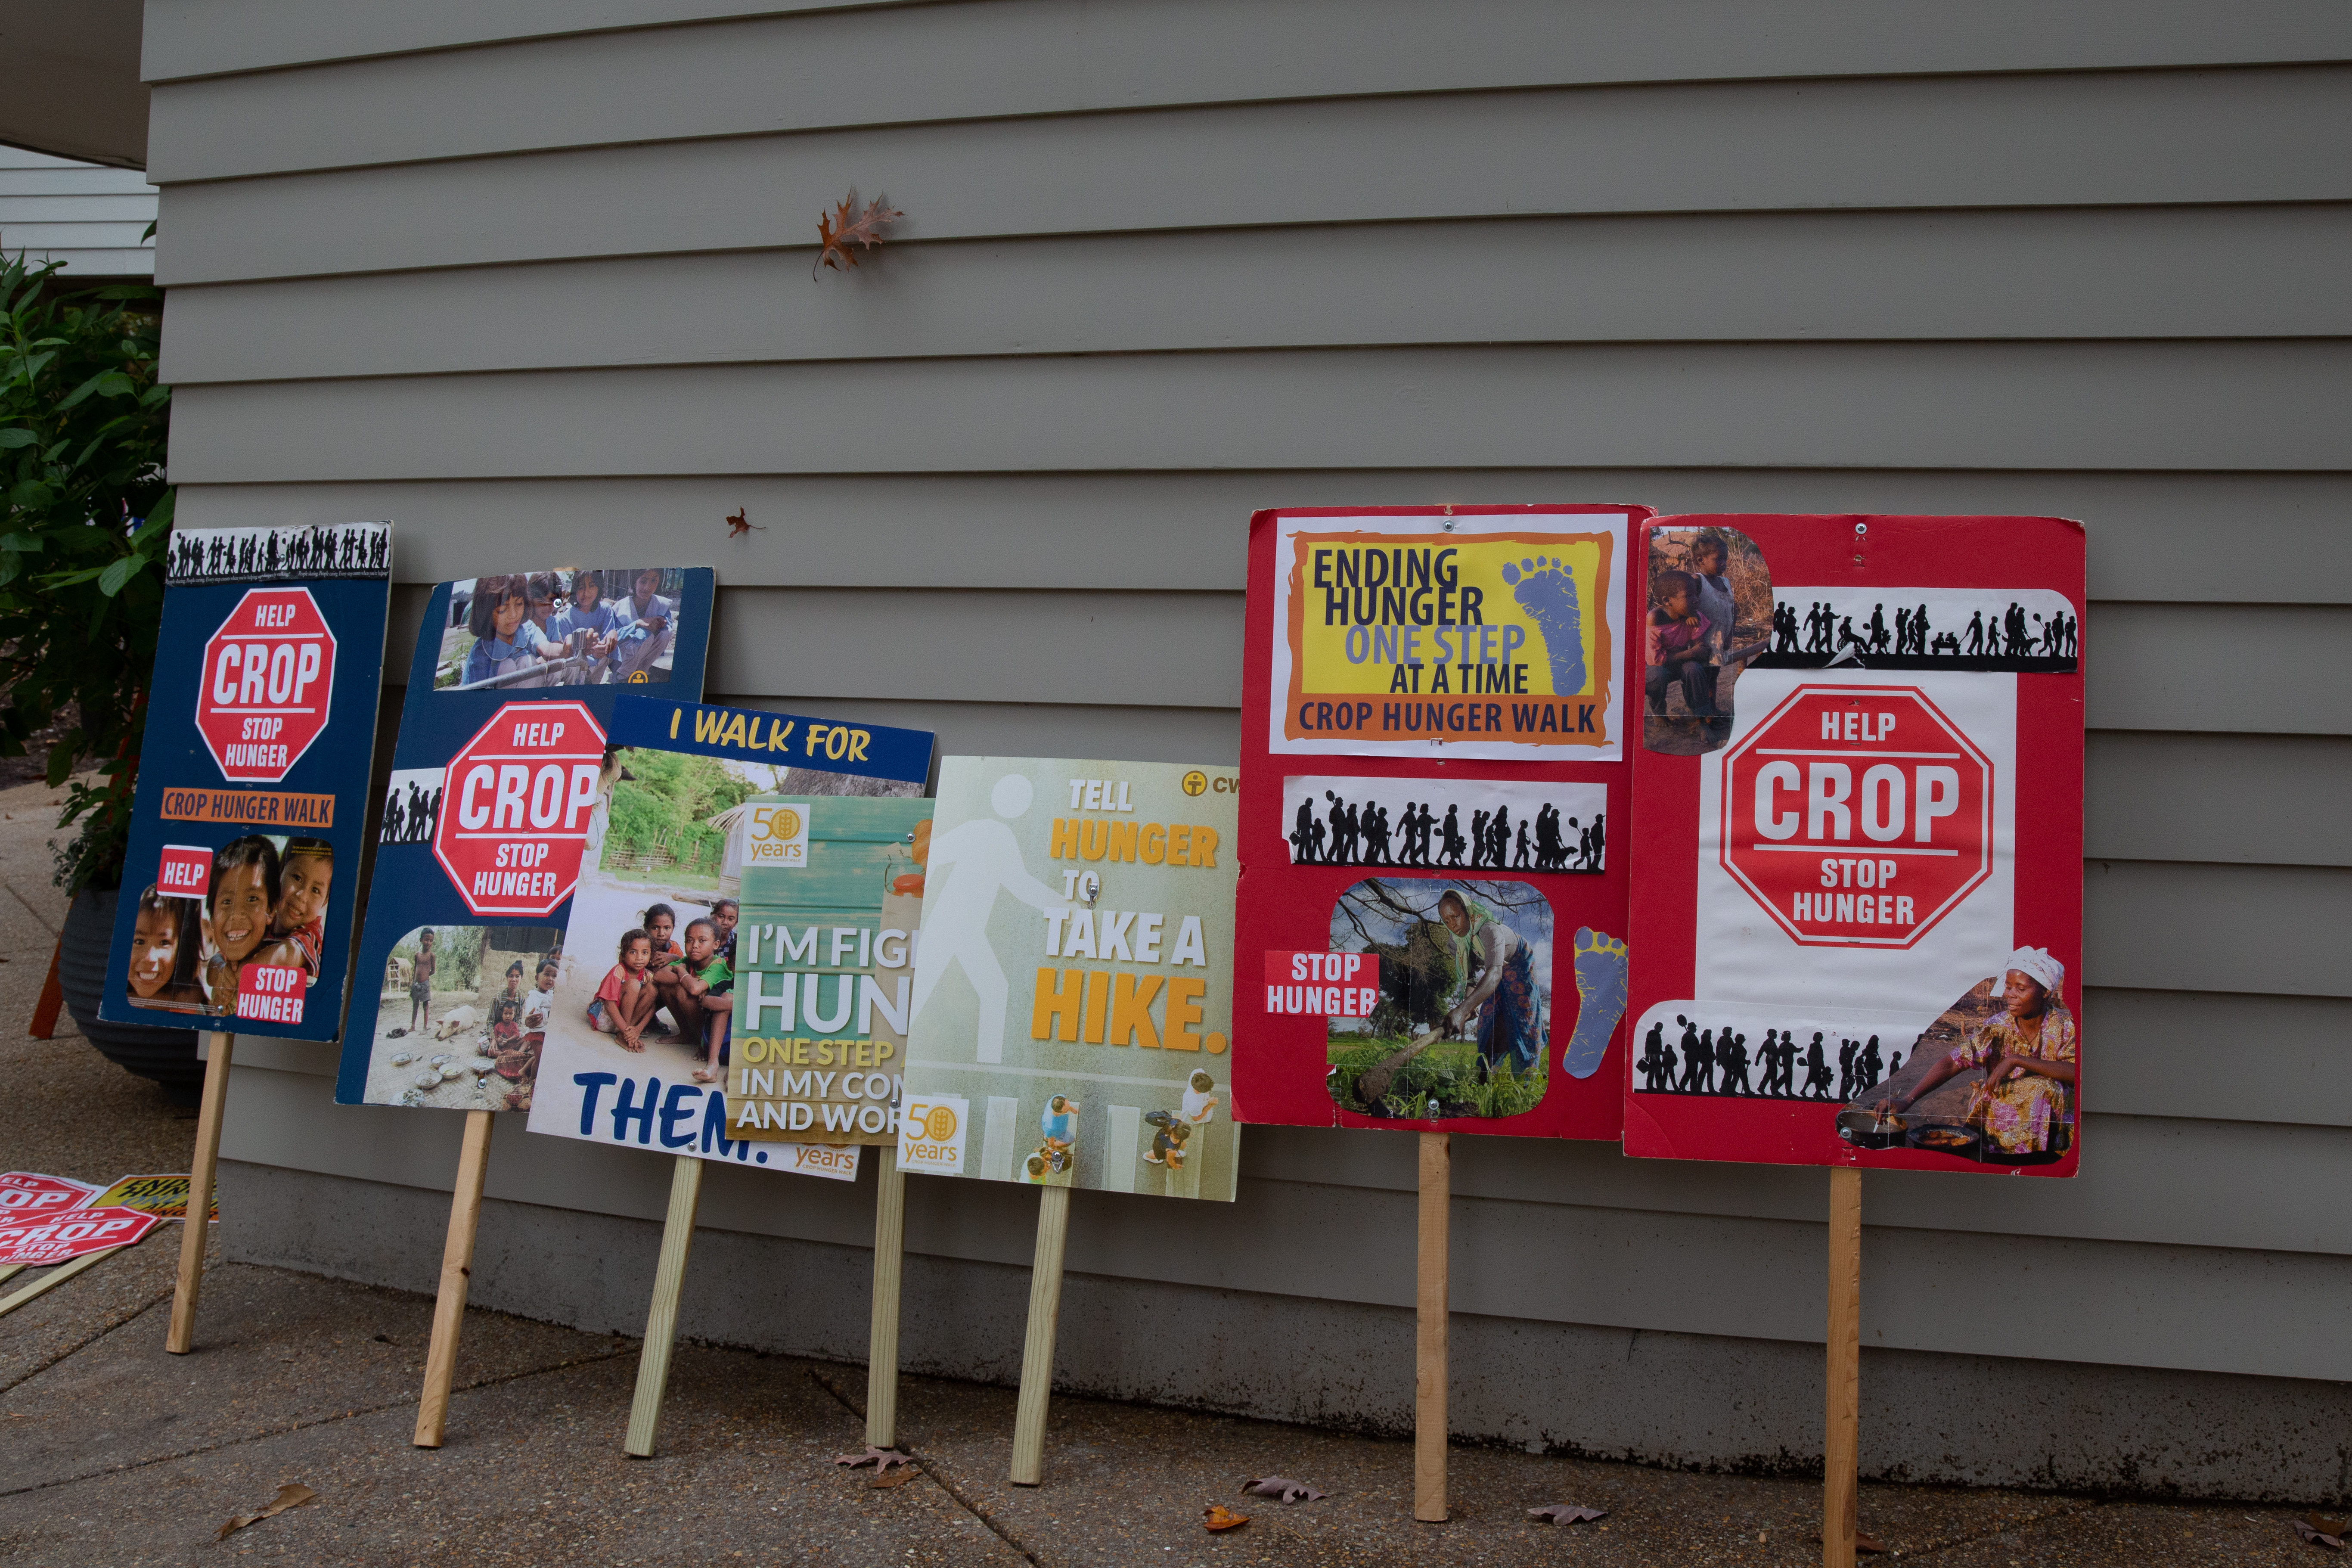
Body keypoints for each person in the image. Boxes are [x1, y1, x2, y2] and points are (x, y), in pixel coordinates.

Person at [1871, 948, 2077, 1155]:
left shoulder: (2065, 1026)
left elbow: (2076, 1073)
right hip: (2000, 1121)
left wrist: (2017, 1060)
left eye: (2021, 989)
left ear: (2046, 992)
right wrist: (1908, 1100)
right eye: (2008, 987)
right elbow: (1953, 1062)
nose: (2010, 995)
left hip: (2051, 1128)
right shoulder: (1997, 1027)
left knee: (2044, 1087)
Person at [1435, 890, 1539, 1080]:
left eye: (1456, 917)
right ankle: (1485, 1078)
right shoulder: (1455, 942)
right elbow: (1471, 979)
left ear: (1467, 911)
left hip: (1518, 964)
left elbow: (1494, 973)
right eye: (1447, 921)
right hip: (1494, 970)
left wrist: (1461, 1010)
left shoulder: (1489, 930)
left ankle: (1526, 1083)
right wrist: (1468, 1005)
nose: (1453, 925)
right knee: (1489, 1021)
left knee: (1523, 1022)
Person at [201, 836, 305, 1014]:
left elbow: (287, 956)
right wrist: (219, 970)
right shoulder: (233, 950)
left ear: (271, 909)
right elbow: (214, 966)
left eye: (252, 899)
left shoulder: (290, 939)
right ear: (212, 917)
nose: (237, 914)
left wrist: (236, 975)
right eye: (226, 902)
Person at [462, 574, 561, 687]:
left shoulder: (525, 629)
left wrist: (570, 648)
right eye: (503, 610)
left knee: (528, 661)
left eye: (519, 604)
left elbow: (548, 648)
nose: (513, 616)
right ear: (486, 613)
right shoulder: (481, 654)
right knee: (507, 666)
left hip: (519, 697)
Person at [667, 917, 733, 1084]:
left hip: (744, 1047)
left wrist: (685, 976)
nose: (695, 945)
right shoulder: (728, 984)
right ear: (731, 966)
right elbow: (705, 1000)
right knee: (724, 1000)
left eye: (701, 941)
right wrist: (690, 981)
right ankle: (712, 1065)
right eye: (690, 941)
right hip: (720, 1043)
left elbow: (696, 990)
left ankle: (735, 1069)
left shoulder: (717, 967)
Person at [1645, 569, 1718, 717]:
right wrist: (1690, 653)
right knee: (1658, 675)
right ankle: (1659, 711)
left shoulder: (1693, 616)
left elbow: (1701, 651)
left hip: (1679, 663)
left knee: (1695, 669)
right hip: (1655, 668)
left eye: (1696, 594)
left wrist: (1691, 622)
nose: (1696, 600)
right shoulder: (1655, 619)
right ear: (1667, 601)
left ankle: (1701, 717)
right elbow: (1655, 660)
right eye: (1689, 596)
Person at [124, 887, 206, 1012]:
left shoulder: (189, 1000)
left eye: (164, 943)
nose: (150, 958)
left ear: (182, 950)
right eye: (139, 941)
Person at [269, 838, 333, 988]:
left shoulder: (310, 936)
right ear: (281, 872)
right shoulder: (264, 919)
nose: (302, 896)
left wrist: (236, 971)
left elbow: (285, 957)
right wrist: (220, 965)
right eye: (297, 878)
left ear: (324, 902)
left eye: (316, 890)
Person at [590, 928, 661, 1051]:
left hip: (626, 1024)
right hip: (606, 1018)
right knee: (633, 984)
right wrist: (626, 1033)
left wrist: (637, 1031)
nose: (639, 958)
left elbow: (653, 1007)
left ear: (651, 955)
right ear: (623, 955)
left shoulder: (648, 976)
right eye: (633, 952)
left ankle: (627, 1034)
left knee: (652, 990)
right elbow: (610, 1005)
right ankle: (624, 1035)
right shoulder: (619, 971)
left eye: (645, 953)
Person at [407, 928, 438, 1033]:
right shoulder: (417, 955)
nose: (428, 943)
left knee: (426, 1006)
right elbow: (416, 969)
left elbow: (433, 971)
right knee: (415, 1005)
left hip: (425, 985)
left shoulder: (431, 956)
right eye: (426, 940)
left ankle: (425, 1028)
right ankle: (413, 1026)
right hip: (416, 984)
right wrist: (414, 981)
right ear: (421, 940)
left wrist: (425, 977)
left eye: (431, 941)